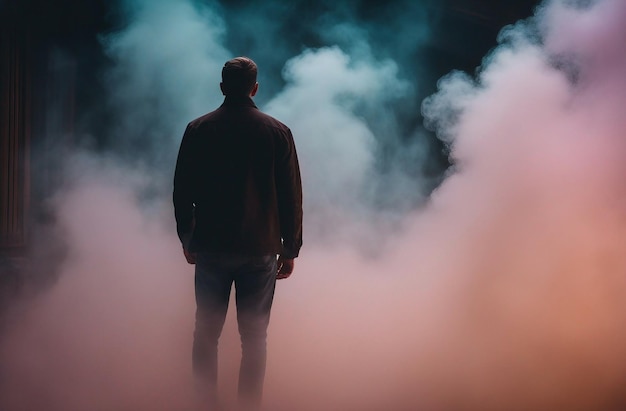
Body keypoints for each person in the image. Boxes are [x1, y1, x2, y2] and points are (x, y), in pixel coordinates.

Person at [173, 56, 303, 410]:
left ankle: (204, 404)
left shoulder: (198, 129)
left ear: (221, 87)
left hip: (212, 245)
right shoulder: (277, 131)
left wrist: (188, 237)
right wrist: (290, 248)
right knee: (255, 338)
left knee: (206, 333)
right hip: (260, 248)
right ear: (255, 88)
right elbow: (291, 195)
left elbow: (182, 191)